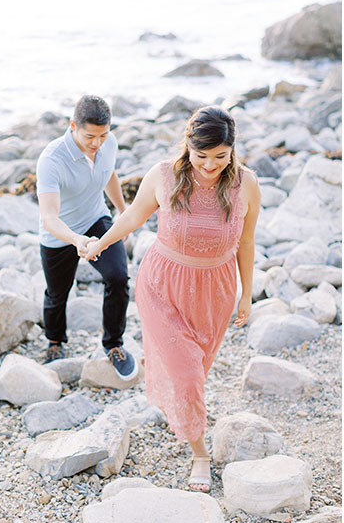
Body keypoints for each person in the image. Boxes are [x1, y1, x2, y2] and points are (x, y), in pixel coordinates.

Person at [82, 106, 260, 493]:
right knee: (187, 373)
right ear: (188, 147)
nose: (210, 165)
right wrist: (101, 242)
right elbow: (132, 218)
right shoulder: (164, 175)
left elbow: (246, 242)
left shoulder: (246, 184)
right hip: (163, 285)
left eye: (220, 156)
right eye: (201, 156)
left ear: (232, 151)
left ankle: (182, 408)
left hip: (216, 290)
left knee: (196, 369)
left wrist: (246, 294)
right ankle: (200, 454)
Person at [36, 94, 137, 380]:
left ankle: (114, 345)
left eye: (103, 135)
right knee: (57, 294)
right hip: (59, 234)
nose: (97, 143)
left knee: (118, 277)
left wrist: (122, 210)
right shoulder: (51, 160)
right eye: (90, 136)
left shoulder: (109, 143)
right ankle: (55, 342)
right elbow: (49, 217)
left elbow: (109, 173)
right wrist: (76, 240)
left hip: (96, 220)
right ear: (72, 126)